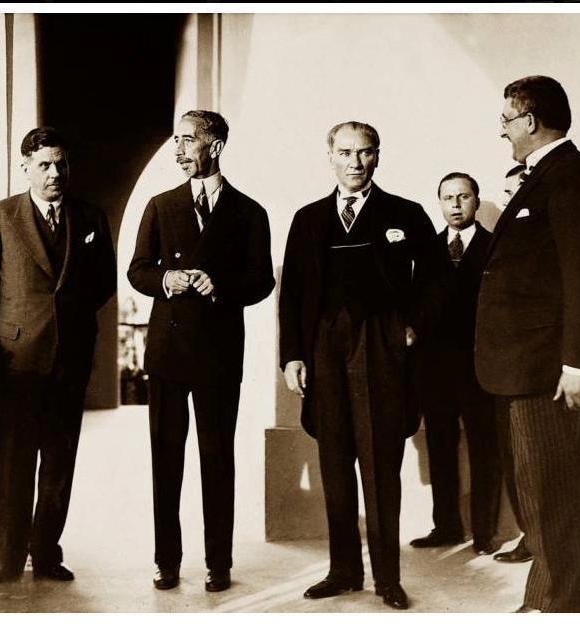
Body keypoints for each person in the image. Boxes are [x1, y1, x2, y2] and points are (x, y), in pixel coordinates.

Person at [278, 121, 442, 611]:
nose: (355, 162)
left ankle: (388, 579)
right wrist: (292, 355)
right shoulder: (308, 218)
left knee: (380, 467)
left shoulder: (405, 213)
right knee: (334, 465)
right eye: (346, 152)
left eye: (365, 152)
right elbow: (292, 295)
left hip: (381, 349)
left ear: (377, 156)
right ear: (329, 155)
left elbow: (437, 279)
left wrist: (412, 326)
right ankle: (343, 570)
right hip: (324, 350)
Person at [475, 75, 580, 612]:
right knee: (543, 495)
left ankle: (561, 609)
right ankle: (545, 601)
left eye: (506, 120)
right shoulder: (547, 175)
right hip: (529, 369)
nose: (502, 131)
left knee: (558, 496)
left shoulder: (569, 178)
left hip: (552, 374)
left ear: (530, 121)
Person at [128, 110, 274, 593]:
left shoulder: (249, 212)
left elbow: (262, 280)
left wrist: (221, 285)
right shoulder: (160, 205)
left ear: (216, 147)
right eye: (176, 141)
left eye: (187, 141)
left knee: (217, 459)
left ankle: (219, 563)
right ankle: (166, 561)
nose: (178, 151)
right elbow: (137, 269)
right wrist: (167, 278)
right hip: (168, 353)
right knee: (165, 461)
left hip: (219, 355)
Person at [0, 127, 117, 584]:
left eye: (61, 164)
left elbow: (104, 283)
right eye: (45, 165)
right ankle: (8, 558)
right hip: (16, 361)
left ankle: (46, 553)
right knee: (13, 463)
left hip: (70, 360)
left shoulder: (90, 217)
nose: (55, 173)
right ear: (26, 168)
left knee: (59, 461)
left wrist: (70, 320)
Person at [410, 172, 501, 556]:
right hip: (435, 369)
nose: (456, 204)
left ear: (476, 201)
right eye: (448, 198)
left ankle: (484, 533)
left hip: (482, 368)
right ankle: (446, 527)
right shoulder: (426, 249)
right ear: (440, 203)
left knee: (485, 448)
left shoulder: (496, 245)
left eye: (463, 196)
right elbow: (415, 303)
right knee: (440, 446)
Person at [491, 162, 534, 566]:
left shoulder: (538, 237)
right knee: (514, 457)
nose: (509, 203)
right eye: (505, 195)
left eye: (514, 194)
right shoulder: (506, 238)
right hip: (504, 368)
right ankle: (530, 536)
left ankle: (538, 540)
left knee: (535, 461)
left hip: (532, 368)